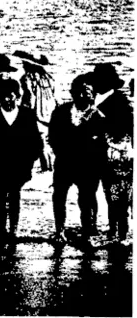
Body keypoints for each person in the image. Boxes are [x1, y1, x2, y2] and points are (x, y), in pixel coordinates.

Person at [49, 73, 108, 248]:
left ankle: (88, 233)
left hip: (87, 167)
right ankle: (59, 231)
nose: (84, 95)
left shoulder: (98, 117)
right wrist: (62, 152)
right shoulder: (60, 112)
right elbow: (53, 137)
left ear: (94, 94)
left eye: (88, 91)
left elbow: (101, 146)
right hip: (64, 163)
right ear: (73, 93)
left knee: (87, 200)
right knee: (58, 197)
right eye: (80, 91)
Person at [0, 79, 44, 240]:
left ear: (17, 96)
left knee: (15, 196)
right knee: (1, 197)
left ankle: (14, 229)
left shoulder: (27, 115)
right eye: (3, 96)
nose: (7, 100)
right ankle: (1, 228)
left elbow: (36, 142)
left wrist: (29, 161)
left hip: (19, 165)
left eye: (10, 96)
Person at [91, 64, 133, 243]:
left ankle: (120, 233)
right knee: (109, 194)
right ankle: (114, 230)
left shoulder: (119, 102)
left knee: (117, 195)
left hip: (115, 156)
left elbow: (125, 129)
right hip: (101, 156)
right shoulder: (100, 100)